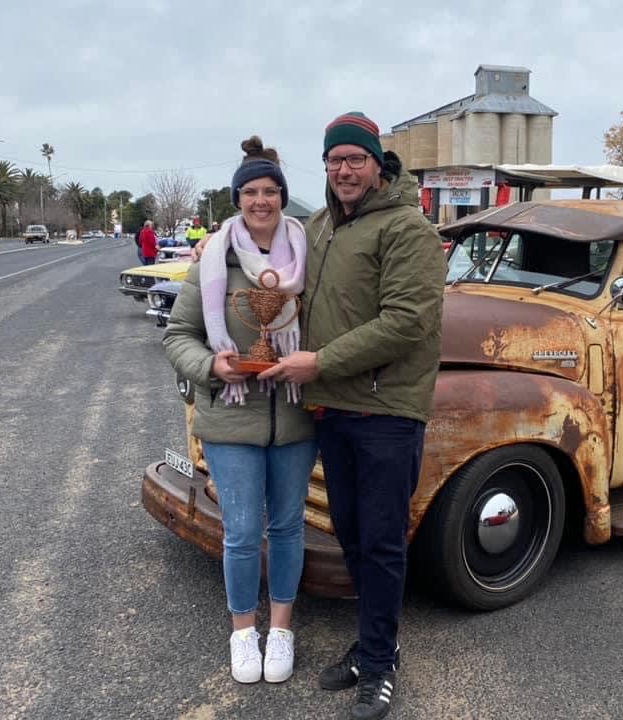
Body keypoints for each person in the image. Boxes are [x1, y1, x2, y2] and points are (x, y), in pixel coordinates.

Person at [261, 112, 446, 720]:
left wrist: (319, 363)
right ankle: (374, 643)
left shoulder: (408, 229)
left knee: (383, 541)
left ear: (376, 164)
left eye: (355, 159)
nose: (343, 170)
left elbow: (407, 322)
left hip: (386, 408)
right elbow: (269, 253)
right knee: (351, 535)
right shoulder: (318, 226)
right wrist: (221, 242)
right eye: (334, 159)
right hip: (334, 406)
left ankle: (380, 662)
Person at [162, 135, 316, 685]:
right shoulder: (213, 260)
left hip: (294, 418)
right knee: (243, 531)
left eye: (270, 191)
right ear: (237, 199)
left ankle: (282, 628)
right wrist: (211, 365)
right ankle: (243, 631)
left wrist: (310, 361)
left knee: (289, 526)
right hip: (230, 418)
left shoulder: (308, 257)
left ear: (282, 197)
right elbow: (178, 334)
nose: (260, 201)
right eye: (250, 192)